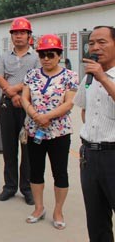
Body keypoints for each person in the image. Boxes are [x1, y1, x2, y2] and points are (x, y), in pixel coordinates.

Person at [20, 34, 77, 231]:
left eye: (50, 55)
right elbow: (24, 97)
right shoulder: (32, 74)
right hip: (34, 130)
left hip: (59, 132)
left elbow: (69, 102)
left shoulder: (70, 76)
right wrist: (35, 115)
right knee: (35, 170)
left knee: (60, 172)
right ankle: (39, 207)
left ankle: (58, 211)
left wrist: (47, 117)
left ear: (59, 55)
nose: (46, 59)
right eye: (42, 55)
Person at [73, 25, 115, 242]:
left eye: (102, 42)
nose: (95, 47)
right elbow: (84, 109)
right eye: (91, 43)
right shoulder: (88, 77)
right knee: (97, 221)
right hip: (90, 156)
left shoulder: (101, 76)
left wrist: (104, 79)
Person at [0, 17, 39, 205]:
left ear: (29, 36)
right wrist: (11, 93)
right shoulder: (4, 57)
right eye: (15, 33)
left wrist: (17, 91)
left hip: (28, 106)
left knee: (27, 149)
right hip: (7, 105)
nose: (18, 36)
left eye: (22, 33)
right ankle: (10, 186)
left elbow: (36, 78)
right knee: (9, 148)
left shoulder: (36, 57)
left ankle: (27, 188)